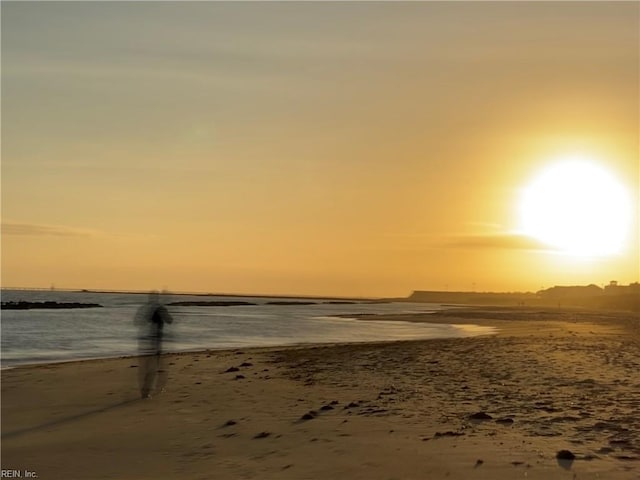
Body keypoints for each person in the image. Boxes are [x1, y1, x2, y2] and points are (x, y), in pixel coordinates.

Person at [134, 291, 173, 399]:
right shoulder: (159, 309)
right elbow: (170, 320)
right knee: (154, 368)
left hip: (143, 342)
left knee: (145, 368)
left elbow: (137, 322)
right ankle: (149, 391)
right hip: (155, 343)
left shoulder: (145, 309)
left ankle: (145, 391)